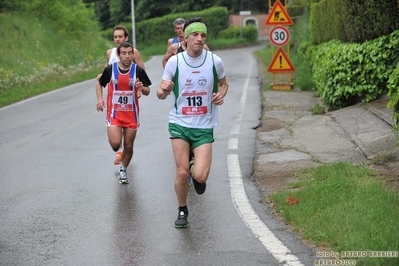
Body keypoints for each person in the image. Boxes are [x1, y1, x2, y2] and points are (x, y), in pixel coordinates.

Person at [157, 17, 228, 228]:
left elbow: (224, 84)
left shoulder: (215, 61)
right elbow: (160, 93)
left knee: (200, 175)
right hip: (179, 122)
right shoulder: (174, 62)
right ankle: (182, 209)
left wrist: (220, 94)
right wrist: (164, 90)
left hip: (204, 125)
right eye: (195, 35)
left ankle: (197, 175)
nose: (199, 39)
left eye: (203, 35)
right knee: (181, 172)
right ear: (185, 38)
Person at [96, 42, 151, 184]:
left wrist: (142, 88)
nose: (127, 56)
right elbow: (100, 83)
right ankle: (117, 138)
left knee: (129, 145)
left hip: (131, 115)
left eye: (129, 53)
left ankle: (123, 169)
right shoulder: (110, 69)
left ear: (133, 54)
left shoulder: (138, 70)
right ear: (119, 55)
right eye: (124, 53)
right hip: (114, 114)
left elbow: (147, 90)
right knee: (115, 144)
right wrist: (100, 99)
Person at [99, 25, 146, 165]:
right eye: (115, 37)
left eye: (120, 37)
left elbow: (142, 72)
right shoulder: (110, 53)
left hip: (130, 95)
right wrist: (101, 77)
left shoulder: (133, 53)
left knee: (128, 139)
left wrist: (139, 89)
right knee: (115, 140)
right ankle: (119, 151)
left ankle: (124, 153)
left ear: (126, 38)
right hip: (114, 98)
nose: (118, 39)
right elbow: (107, 69)